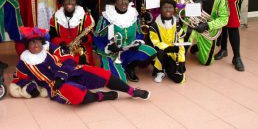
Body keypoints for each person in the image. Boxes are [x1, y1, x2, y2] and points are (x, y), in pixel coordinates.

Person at [9, 26, 151, 104]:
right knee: (77, 95)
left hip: (73, 72)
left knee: (104, 74)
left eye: (37, 41)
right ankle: (100, 96)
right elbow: (19, 79)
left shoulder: (50, 47)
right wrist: (32, 88)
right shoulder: (24, 61)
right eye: (32, 42)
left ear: (42, 41)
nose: (35, 45)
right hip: (57, 86)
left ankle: (132, 91)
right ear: (27, 45)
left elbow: (69, 59)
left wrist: (62, 74)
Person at [94, 0, 157, 82]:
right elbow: (97, 37)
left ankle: (129, 67)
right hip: (112, 53)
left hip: (129, 49)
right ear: (115, 1)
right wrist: (108, 47)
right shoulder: (107, 16)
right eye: (120, 0)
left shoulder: (133, 14)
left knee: (151, 52)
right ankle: (113, 66)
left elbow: (139, 33)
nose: (123, 2)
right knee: (120, 81)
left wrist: (137, 42)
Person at [184, 0, 229, 65]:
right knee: (179, 54)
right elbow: (182, 11)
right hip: (190, 26)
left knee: (206, 62)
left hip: (208, 30)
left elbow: (224, 19)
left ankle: (197, 46)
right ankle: (182, 52)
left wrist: (207, 25)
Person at [49, 0, 95, 66]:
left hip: (81, 50)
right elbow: (52, 36)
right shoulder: (55, 18)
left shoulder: (84, 16)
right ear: (63, 2)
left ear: (76, 2)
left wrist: (86, 38)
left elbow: (91, 34)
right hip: (62, 50)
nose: (70, 2)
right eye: (67, 0)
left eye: (72, 0)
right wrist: (61, 43)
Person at [149, 0, 186, 83]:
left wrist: (181, 59)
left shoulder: (177, 26)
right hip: (160, 54)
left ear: (174, 10)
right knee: (161, 52)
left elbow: (181, 42)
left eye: (170, 7)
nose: (168, 10)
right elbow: (155, 42)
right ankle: (160, 71)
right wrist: (168, 48)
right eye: (165, 7)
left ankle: (169, 69)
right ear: (160, 9)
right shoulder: (154, 26)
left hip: (173, 55)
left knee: (178, 80)